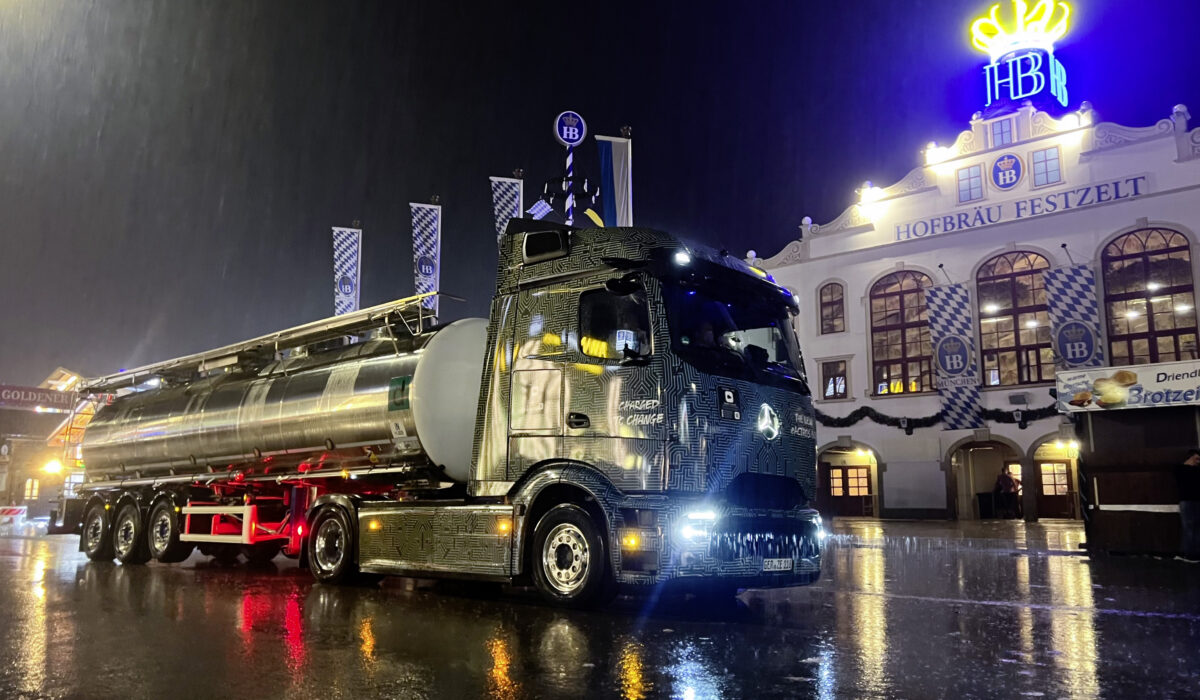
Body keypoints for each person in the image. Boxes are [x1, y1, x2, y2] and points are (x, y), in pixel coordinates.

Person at [1176, 449, 1200, 563]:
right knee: (1190, 527)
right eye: (1196, 458)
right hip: (1187, 500)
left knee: (1193, 527)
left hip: (1190, 500)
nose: (1198, 461)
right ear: (1190, 457)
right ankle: (1191, 553)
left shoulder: (1182, 469)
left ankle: (1193, 553)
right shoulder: (1180, 469)